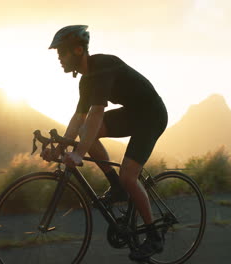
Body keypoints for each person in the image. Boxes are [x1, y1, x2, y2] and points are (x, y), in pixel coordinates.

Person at [41, 25, 168, 261]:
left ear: (78, 50)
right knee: (85, 132)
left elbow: (96, 114)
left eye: (62, 53)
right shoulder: (85, 81)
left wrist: (78, 153)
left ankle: (153, 236)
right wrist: (60, 148)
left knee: (129, 176)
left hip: (151, 116)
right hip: (132, 113)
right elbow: (79, 119)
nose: (59, 58)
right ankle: (116, 186)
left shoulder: (103, 67)